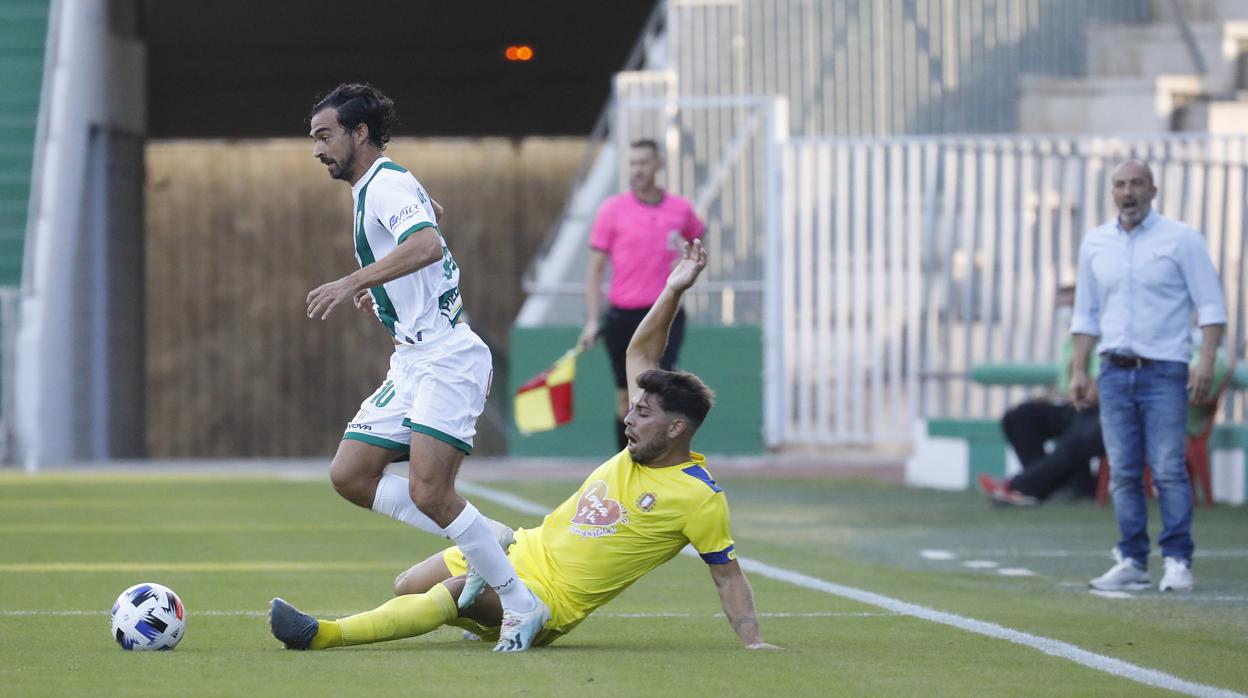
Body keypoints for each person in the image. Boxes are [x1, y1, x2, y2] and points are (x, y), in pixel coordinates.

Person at [271, 240, 781, 652]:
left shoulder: (698, 495)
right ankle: (483, 617)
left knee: (443, 598)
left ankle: (324, 635)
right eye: (634, 407)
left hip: (547, 597)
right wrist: (672, 289)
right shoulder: (637, 449)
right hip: (521, 548)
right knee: (407, 586)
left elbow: (728, 576)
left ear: (676, 429)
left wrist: (753, 642)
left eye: (644, 414)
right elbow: (640, 352)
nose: (629, 417)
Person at [303, 83, 548, 651]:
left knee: (430, 491)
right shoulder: (379, 185)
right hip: (412, 360)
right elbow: (429, 215)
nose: (316, 149)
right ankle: (487, 535)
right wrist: (386, 290)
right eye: (314, 138)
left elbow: (428, 243)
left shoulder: (385, 183)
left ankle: (519, 601)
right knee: (350, 474)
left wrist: (354, 281)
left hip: (447, 358)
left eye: (325, 136)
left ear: (359, 132)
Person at [1070, 160, 1227, 592]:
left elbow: (1211, 306)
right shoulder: (1095, 243)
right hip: (1113, 370)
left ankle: (1177, 560)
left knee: (1168, 469)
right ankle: (1132, 560)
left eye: (1136, 184)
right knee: (1122, 471)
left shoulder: (1182, 239)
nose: (1128, 192)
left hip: (1165, 371)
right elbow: (1086, 314)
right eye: (1120, 185)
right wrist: (1079, 369)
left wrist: (1206, 361)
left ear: (1152, 190)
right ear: (1112, 193)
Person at [578, 139, 706, 450]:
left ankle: (662, 461)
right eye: (633, 163)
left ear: (658, 164)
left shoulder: (680, 209)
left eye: (643, 163)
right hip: (622, 315)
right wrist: (593, 320)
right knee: (627, 399)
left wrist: (687, 262)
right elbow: (594, 270)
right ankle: (624, 462)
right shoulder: (612, 210)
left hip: (664, 312)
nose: (637, 169)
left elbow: (699, 238)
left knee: (660, 394)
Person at [978, 287, 1103, 506]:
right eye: (1061, 306)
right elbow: (1065, 384)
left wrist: (1070, 396)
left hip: (1092, 408)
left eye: (1070, 305)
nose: (1065, 311)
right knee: (1020, 417)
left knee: (1078, 433)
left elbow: (1094, 391)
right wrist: (1048, 397)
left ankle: (1019, 486)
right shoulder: (1071, 342)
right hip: (1070, 404)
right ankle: (1061, 485)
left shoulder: (1100, 337)